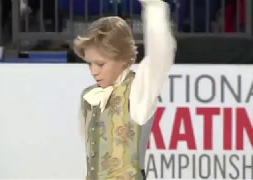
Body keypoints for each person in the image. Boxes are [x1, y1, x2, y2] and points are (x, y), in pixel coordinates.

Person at [73, 0, 176, 179]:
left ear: (123, 59)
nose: (93, 71)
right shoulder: (89, 96)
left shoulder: (138, 90)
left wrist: (153, 8)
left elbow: (160, 54)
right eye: (90, 63)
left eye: (100, 64)